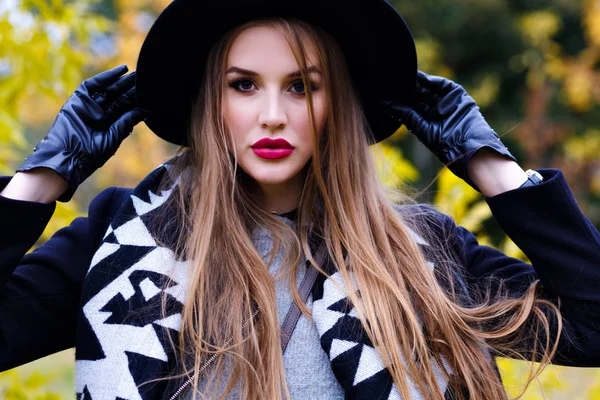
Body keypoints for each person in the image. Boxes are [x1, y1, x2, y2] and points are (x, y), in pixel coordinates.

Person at [1, 0, 599, 399]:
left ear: (336, 102)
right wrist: (42, 179)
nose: (271, 116)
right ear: (212, 102)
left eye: (302, 87)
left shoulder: (422, 251)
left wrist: (493, 168)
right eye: (243, 85)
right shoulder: (124, 241)